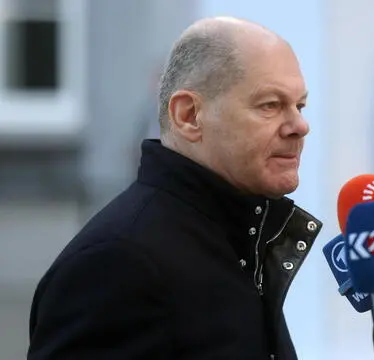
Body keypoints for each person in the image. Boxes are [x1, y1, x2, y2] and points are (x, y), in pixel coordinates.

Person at [27, 16, 322, 360]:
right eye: (270, 105)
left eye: (299, 105)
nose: (300, 126)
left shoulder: (241, 240)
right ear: (189, 115)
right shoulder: (118, 262)